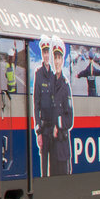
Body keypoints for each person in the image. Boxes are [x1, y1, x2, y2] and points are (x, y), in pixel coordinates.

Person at [50, 37, 75, 175]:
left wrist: (57, 125)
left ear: (62, 60)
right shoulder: (51, 84)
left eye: (59, 58)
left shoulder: (65, 87)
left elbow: (69, 119)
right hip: (52, 147)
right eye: (55, 58)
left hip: (62, 145)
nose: (57, 61)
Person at [33, 35, 54, 173]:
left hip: (54, 128)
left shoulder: (54, 75)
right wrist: (38, 131)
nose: (46, 55)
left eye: (48, 53)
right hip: (44, 128)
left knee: (54, 163)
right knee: (44, 161)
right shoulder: (39, 74)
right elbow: (36, 104)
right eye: (44, 53)